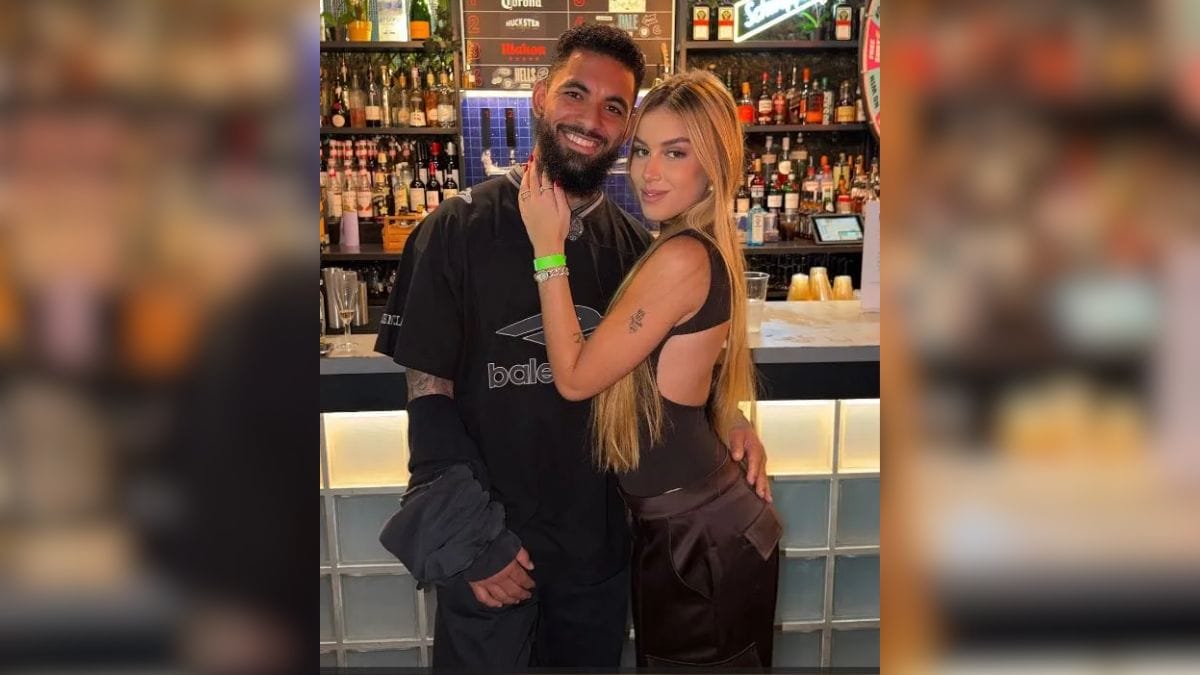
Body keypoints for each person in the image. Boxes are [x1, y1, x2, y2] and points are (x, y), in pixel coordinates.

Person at [374, 25, 772, 671]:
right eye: (575, 94)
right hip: (496, 553)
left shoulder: (637, 247)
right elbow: (428, 394)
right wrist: (470, 539)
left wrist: (728, 418)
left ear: (626, 125)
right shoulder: (455, 228)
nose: (591, 120)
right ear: (540, 96)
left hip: (597, 560)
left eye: (614, 107)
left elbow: (672, 374)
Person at [516, 69, 781, 668]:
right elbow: (690, 377)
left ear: (713, 165)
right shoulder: (681, 245)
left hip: (697, 535)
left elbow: (575, 379)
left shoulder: (682, 256)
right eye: (641, 150)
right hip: (692, 526)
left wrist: (547, 249)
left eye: (675, 152)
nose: (649, 172)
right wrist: (732, 416)